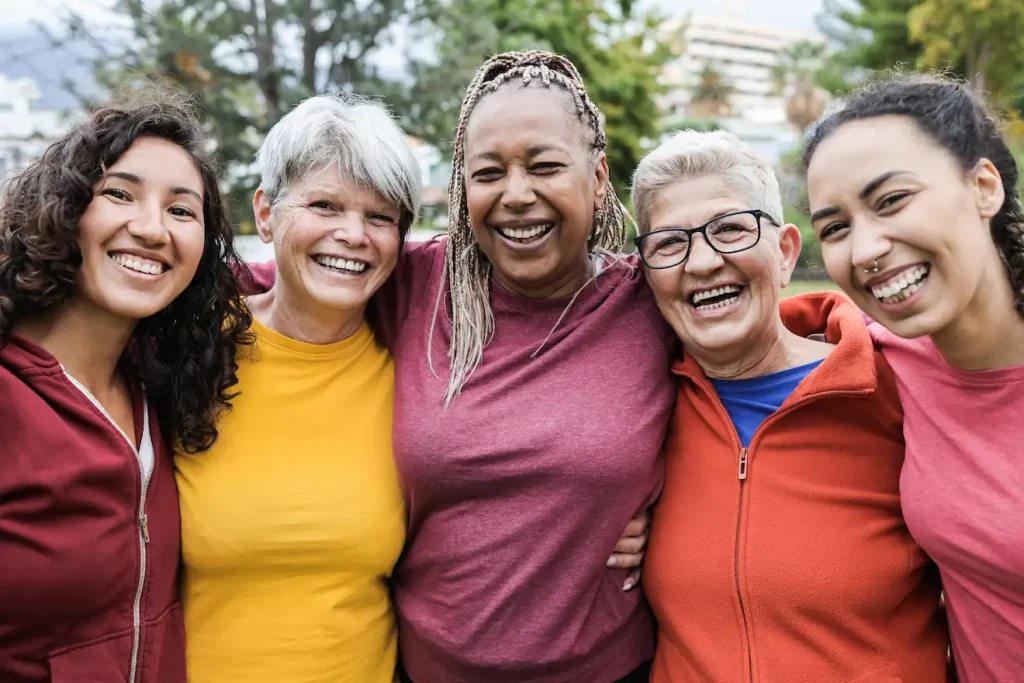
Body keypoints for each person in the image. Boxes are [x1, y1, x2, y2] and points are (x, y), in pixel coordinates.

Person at [244, 50, 671, 682]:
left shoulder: (651, 301)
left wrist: (672, 513)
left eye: (546, 166)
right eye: (489, 171)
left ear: (599, 175)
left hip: (609, 670)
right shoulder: (413, 285)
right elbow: (271, 281)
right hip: (426, 669)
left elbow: (757, 355)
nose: (516, 195)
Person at [632, 130, 949, 682]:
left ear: (784, 252)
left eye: (730, 229)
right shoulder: (637, 413)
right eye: (668, 243)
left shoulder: (901, 385)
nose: (703, 262)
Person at [0, 89, 250, 682]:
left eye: (182, 211)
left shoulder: (159, 387)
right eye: (120, 194)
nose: (151, 229)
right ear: (62, 209)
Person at [174, 94, 421, 682]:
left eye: (380, 216)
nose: (353, 235)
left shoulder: (415, 377)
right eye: (325, 205)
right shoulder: (185, 351)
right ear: (265, 213)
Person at [804, 73, 1024, 682]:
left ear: (983, 187)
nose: (867, 247)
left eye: (892, 200)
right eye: (836, 227)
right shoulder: (884, 360)